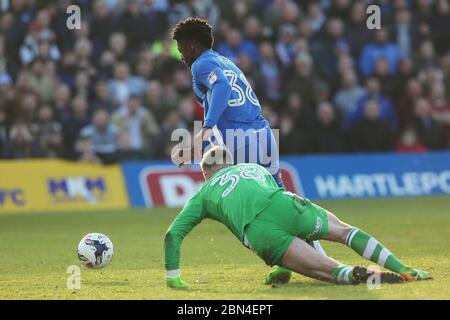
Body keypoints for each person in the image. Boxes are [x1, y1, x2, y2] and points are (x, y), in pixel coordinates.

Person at [170, 17, 326, 283]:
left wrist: (206, 129)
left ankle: (309, 263)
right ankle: (315, 262)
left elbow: (221, 87)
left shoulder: (201, 64)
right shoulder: (225, 61)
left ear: (192, 46)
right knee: (283, 201)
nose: (181, 55)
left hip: (242, 140)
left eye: (181, 48)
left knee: (254, 213)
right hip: (263, 134)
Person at [164, 146, 432, 289]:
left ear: (206, 175)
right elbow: (280, 213)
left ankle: (360, 276)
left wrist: (173, 278)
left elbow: (172, 235)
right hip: (285, 204)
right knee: (345, 232)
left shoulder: (205, 192)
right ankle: (406, 271)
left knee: (327, 272)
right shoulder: (253, 167)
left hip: (261, 233)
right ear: (232, 163)